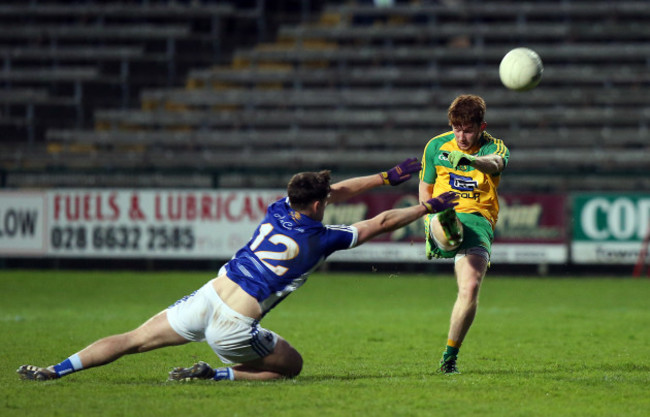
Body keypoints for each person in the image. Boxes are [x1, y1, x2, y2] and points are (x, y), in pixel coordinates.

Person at [18, 158, 459, 382]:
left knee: (132, 339)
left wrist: (387, 177)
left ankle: (55, 371)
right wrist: (428, 205)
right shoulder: (322, 239)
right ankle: (220, 374)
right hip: (234, 326)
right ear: (320, 204)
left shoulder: (277, 208)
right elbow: (379, 222)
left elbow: (331, 191)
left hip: (209, 295)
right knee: (292, 367)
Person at [419, 94, 510, 374]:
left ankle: (449, 358)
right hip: (444, 212)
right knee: (447, 221)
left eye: (468, 129)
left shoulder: (495, 146)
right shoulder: (436, 146)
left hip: (479, 220)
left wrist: (470, 162)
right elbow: (426, 186)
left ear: (482, 126)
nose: (461, 135)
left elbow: (496, 163)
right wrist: (426, 219)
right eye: (456, 128)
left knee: (469, 289)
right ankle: (439, 228)